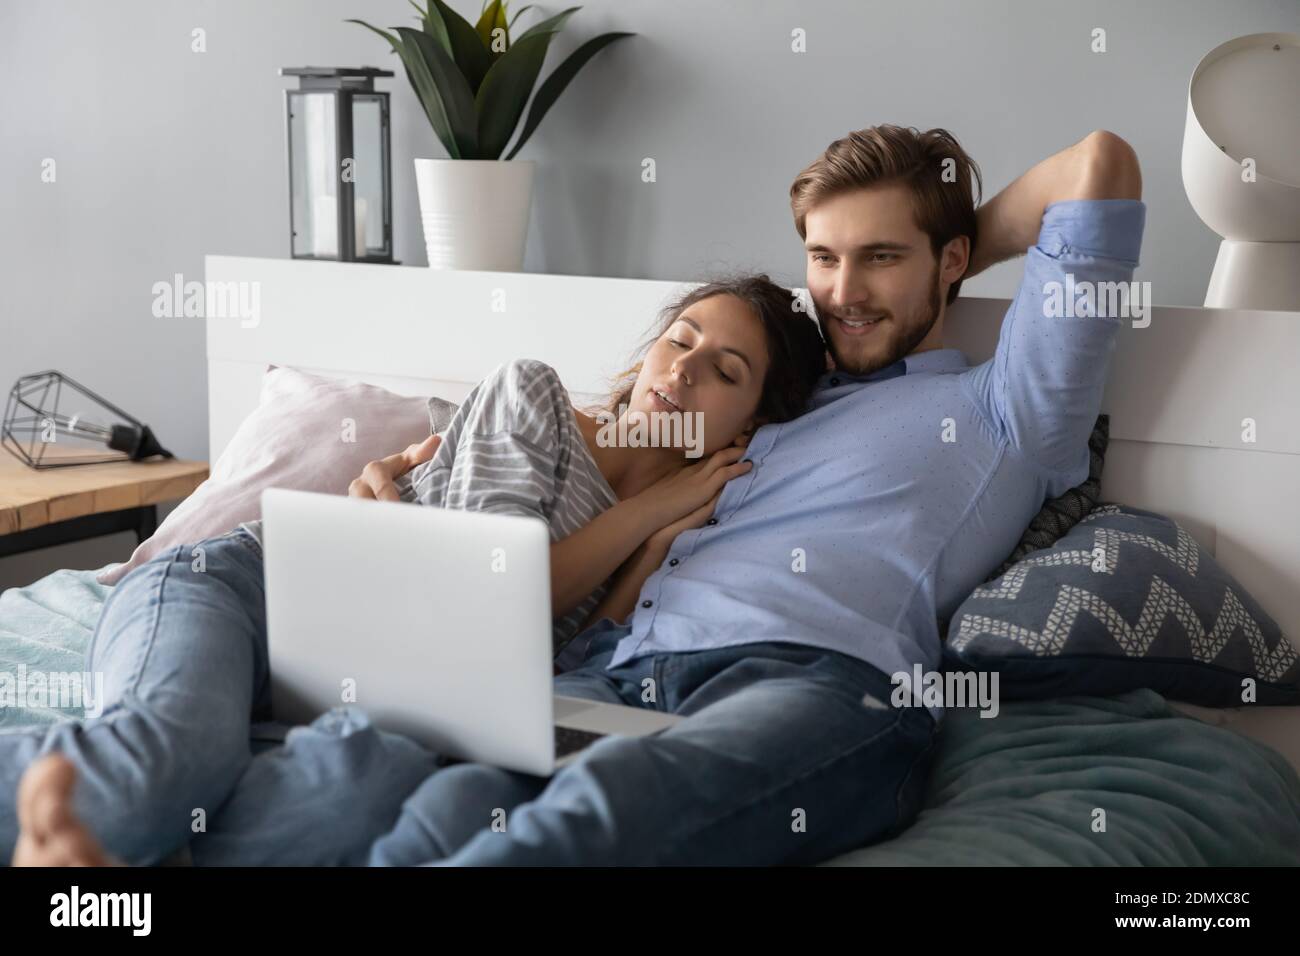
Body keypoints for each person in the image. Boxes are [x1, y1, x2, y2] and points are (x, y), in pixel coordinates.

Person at [13, 125, 1144, 868]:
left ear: (952, 263)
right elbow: (547, 513)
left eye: (881, 259)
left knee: (590, 825)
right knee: (414, 803)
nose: (844, 292)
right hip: (594, 674)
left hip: (811, 675)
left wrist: (950, 237)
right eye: (823, 258)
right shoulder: (772, 411)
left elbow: (1096, 165)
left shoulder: (1009, 408)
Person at [3, 275, 828, 867]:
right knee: (165, 765)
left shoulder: (685, 534)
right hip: (249, 592)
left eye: (725, 370)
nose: (683, 369)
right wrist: (643, 514)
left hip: (379, 686)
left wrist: (651, 546)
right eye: (679, 340)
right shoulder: (531, 396)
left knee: (361, 795)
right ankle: (106, 822)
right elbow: (496, 597)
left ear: (748, 425)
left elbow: (552, 669)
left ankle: (100, 860)